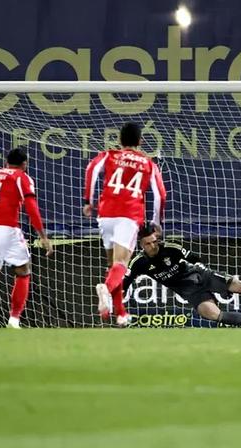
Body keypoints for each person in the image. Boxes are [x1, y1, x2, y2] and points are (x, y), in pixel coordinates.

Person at [122, 224, 241, 327]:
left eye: (155, 241)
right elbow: (126, 282)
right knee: (210, 314)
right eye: (148, 244)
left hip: (200, 276)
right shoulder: (139, 262)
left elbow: (195, 258)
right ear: (141, 245)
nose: (153, 246)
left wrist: (195, 266)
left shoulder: (170, 248)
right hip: (189, 291)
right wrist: (117, 300)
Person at [84, 122, 166, 327]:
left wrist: (88, 200)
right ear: (140, 141)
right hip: (128, 216)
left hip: (105, 214)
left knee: (112, 265)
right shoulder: (148, 163)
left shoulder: (109, 155)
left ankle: (120, 313)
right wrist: (156, 221)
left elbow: (91, 169)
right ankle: (105, 289)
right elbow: (160, 195)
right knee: (121, 264)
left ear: (120, 140)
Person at [0, 149, 53, 329]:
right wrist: (43, 236)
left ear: (6, 162)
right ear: (24, 164)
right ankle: (14, 320)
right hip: (5, 227)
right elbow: (31, 207)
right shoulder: (21, 177)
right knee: (23, 270)